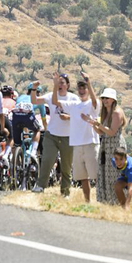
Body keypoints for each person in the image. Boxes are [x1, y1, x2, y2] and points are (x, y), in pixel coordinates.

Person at [52, 71, 99, 202]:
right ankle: (87, 202)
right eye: (80, 88)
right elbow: (55, 101)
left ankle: (102, 200)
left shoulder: (92, 104)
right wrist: (56, 84)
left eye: (84, 88)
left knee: (96, 175)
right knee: (83, 177)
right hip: (77, 144)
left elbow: (95, 101)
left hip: (91, 143)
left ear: (88, 90)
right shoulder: (74, 105)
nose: (82, 90)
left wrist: (89, 82)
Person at [29, 74, 77, 196]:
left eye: (62, 83)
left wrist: (69, 117)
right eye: (58, 82)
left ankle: (65, 191)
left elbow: (80, 116)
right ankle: (40, 186)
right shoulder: (51, 96)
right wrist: (34, 89)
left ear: (68, 85)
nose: (60, 85)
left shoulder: (73, 98)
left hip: (68, 137)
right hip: (51, 135)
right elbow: (34, 101)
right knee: (47, 160)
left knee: (66, 166)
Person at [86, 87, 126, 205]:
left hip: (116, 145)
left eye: (107, 98)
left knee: (115, 174)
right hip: (105, 146)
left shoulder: (117, 112)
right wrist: (94, 125)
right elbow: (102, 132)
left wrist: (99, 124)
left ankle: (118, 202)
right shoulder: (105, 113)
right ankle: (107, 201)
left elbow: (112, 132)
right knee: (104, 173)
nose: (105, 100)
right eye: (103, 98)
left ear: (113, 100)